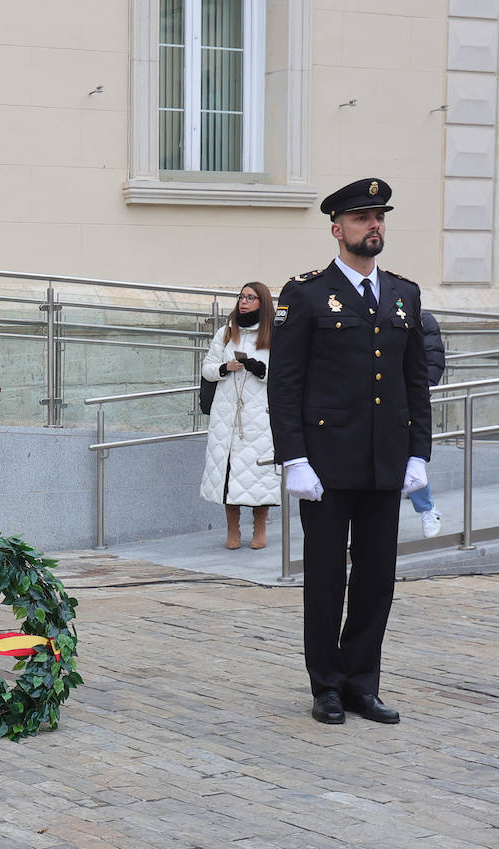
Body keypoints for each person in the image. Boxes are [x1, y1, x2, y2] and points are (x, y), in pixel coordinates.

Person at [268, 178, 431, 726]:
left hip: (386, 460)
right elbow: (284, 383)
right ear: (338, 229)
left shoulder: (404, 294)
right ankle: (327, 686)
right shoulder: (307, 293)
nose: (374, 226)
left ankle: (363, 683)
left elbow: (414, 384)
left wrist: (419, 454)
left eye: (379, 216)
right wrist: (293, 458)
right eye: (362, 218)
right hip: (326, 464)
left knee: (376, 578)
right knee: (325, 577)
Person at [200, 282, 278, 549]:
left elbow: (284, 375)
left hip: (259, 417)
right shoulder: (225, 333)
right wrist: (225, 367)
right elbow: (207, 368)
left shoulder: (274, 334)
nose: (244, 302)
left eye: (250, 297)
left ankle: (260, 529)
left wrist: (259, 369)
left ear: (262, 302)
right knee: (228, 472)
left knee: (259, 475)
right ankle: (232, 531)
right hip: (227, 415)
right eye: (241, 297)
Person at [407, 311, 446, 538]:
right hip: (372, 403)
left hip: (408, 403)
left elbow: (434, 359)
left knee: (409, 458)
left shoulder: (422, 319)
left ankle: (428, 510)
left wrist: (417, 393)